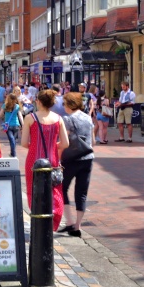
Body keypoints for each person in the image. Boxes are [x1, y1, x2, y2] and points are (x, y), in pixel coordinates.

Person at [22, 89, 69, 230]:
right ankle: (53, 217)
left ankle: (38, 218)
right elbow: (65, 143)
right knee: (54, 189)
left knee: (33, 189)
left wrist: (35, 146)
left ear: (39, 102)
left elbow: (24, 143)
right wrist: (53, 145)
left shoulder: (30, 118)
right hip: (52, 159)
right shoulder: (58, 119)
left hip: (34, 159)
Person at [59, 93, 94, 237]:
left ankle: (69, 222)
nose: (63, 107)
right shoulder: (87, 117)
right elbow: (92, 140)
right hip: (87, 157)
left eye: (64, 104)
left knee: (62, 188)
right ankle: (77, 226)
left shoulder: (67, 119)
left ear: (70, 104)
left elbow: (64, 141)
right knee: (82, 192)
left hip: (71, 158)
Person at [1, 92, 23, 157]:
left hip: (8, 126)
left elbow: (0, 114)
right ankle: (13, 153)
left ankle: (13, 154)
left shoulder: (5, 105)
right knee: (13, 140)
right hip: (16, 125)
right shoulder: (17, 106)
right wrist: (23, 125)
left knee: (11, 139)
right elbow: (20, 116)